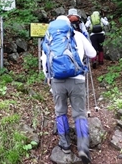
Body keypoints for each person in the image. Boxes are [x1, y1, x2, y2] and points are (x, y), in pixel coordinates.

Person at [41, 15, 96, 164]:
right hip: (77, 79)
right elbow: (93, 54)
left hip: (57, 81)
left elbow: (45, 60)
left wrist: (48, 77)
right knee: (79, 113)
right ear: (68, 24)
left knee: (60, 111)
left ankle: (64, 145)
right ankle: (83, 147)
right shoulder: (77, 35)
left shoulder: (49, 39)